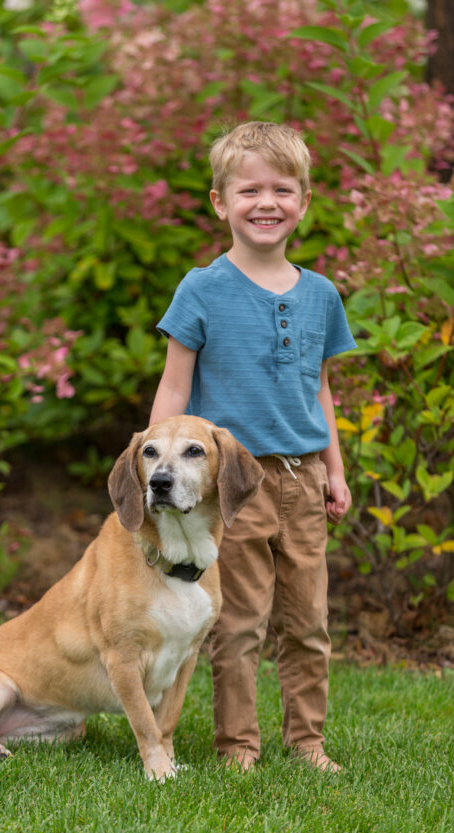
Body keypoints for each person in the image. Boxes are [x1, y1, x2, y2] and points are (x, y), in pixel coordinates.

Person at [149, 121, 356, 773]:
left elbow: (320, 390)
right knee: (238, 625)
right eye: (249, 190)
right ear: (220, 202)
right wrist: (160, 473)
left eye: (282, 190)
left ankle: (308, 743)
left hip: (303, 482)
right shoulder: (201, 289)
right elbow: (174, 388)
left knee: (309, 623)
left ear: (304, 201)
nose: (267, 203)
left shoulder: (321, 295)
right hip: (232, 487)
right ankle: (238, 746)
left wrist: (335, 470)